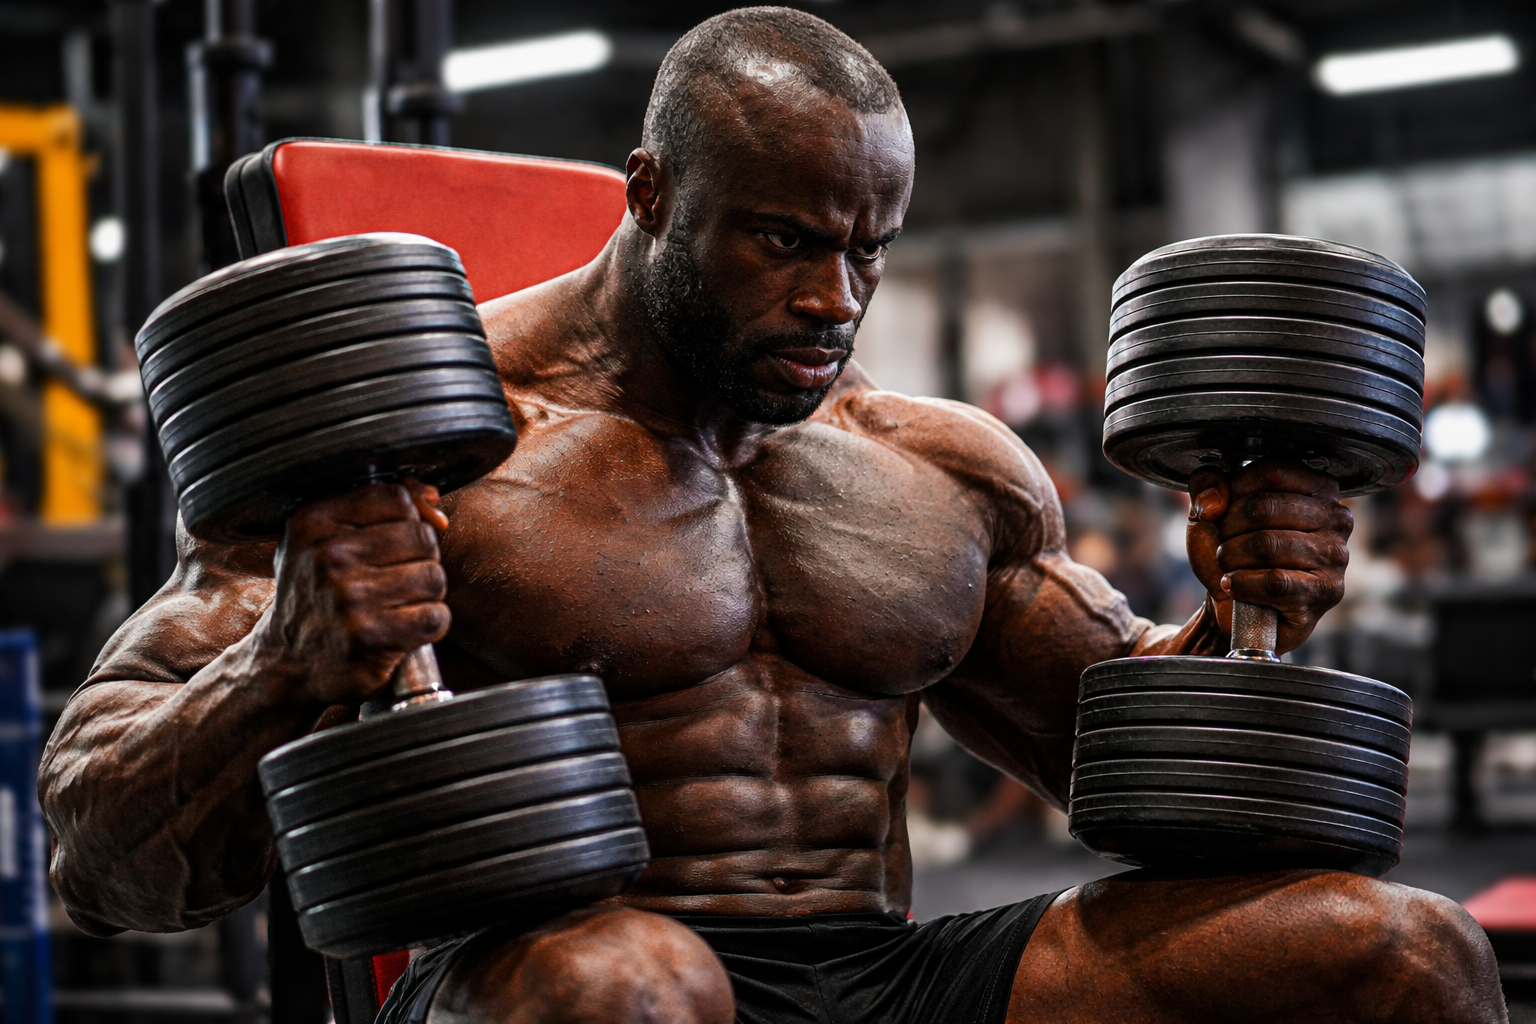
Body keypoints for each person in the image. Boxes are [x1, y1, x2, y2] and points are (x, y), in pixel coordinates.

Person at [41, 8, 1504, 1024]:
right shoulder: (413, 453)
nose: (836, 300)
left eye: (871, 250)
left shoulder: (939, 467)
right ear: (651, 194)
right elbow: (101, 866)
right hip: (557, 980)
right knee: (640, 988)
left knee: (1398, 956)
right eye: (789, 242)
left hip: (885, 975)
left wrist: (1254, 607)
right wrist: (282, 662)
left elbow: (1140, 780)